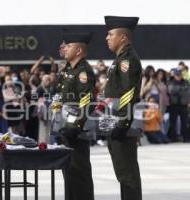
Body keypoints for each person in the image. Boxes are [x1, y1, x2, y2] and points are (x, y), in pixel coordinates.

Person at [103, 16, 142, 200]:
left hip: (122, 124)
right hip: (116, 122)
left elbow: (128, 92)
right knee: (122, 172)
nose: (107, 38)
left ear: (123, 38)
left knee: (127, 173)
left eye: (111, 34)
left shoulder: (128, 60)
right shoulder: (120, 59)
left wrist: (123, 122)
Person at [55, 30, 96, 200]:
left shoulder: (83, 71)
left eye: (68, 46)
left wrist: (75, 127)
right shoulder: (69, 70)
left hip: (77, 132)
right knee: (69, 174)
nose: (64, 48)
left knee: (80, 174)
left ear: (78, 50)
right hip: (66, 127)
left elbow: (86, 102)